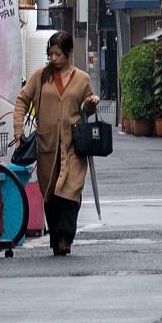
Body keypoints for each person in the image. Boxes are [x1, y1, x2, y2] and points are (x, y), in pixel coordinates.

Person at [12, 30, 99, 256]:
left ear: (69, 53)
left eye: (58, 54)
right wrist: (18, 130)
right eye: (50, 54)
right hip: (47, 145)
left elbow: (87, 108)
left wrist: (91, 103)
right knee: (50, 193)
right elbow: (22, 99)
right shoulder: (41, 76)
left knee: (71, 191)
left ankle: (65, 239)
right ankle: (56, 237)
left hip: (74, 146)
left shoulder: (82, 79)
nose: (53, 59)